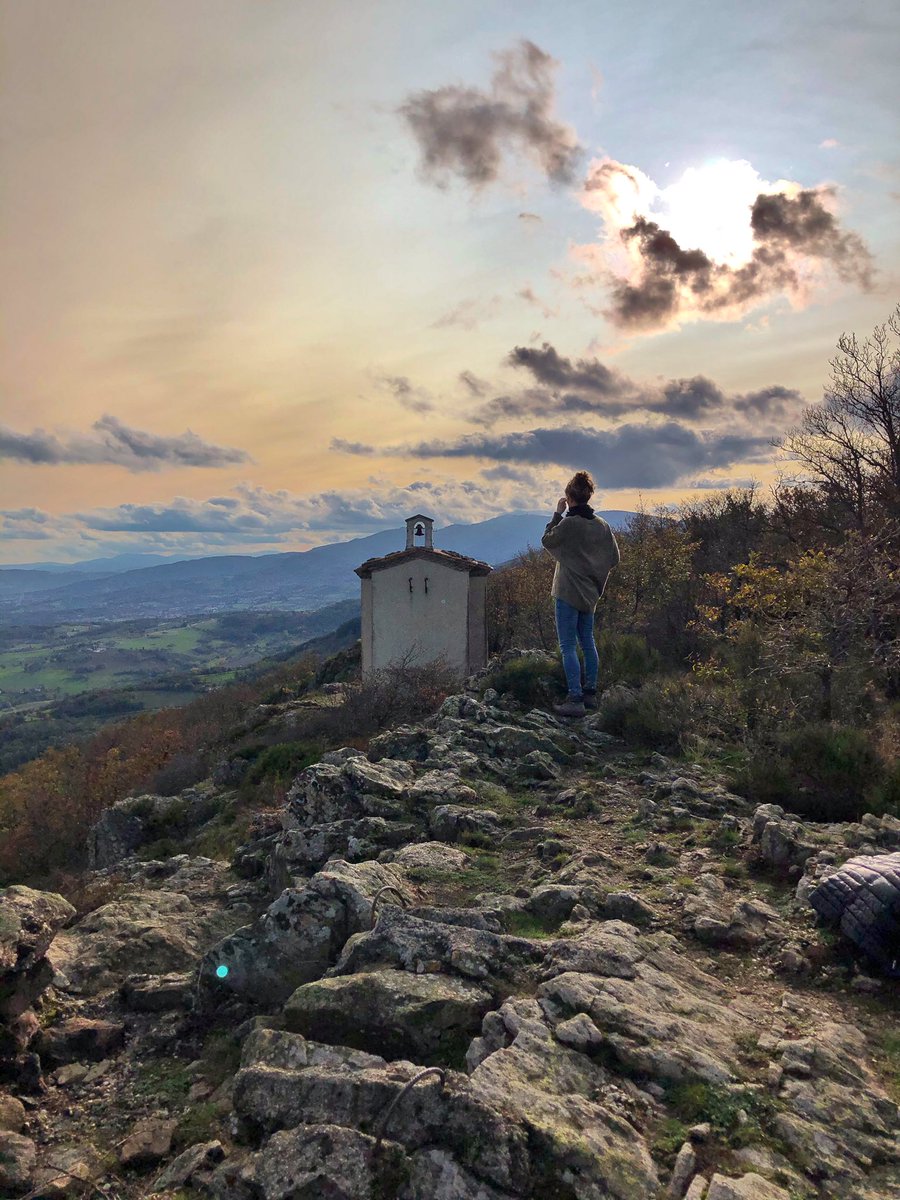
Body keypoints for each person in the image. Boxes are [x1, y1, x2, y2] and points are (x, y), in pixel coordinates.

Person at [541, 470, 620, 717]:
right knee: (588, 642)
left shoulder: (568, 523)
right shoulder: (602, 526)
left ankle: (574, 698)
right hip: (590, 594)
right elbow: (614, 558)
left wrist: (557, 514)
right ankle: (590, 694)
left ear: (570, 498)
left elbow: (547, 540)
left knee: (567, 646)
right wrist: (593, 572)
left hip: (567, 592)